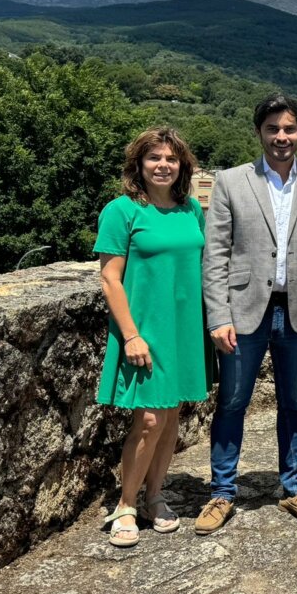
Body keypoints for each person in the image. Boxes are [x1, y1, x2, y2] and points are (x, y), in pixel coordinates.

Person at [196, 94, 297, 535]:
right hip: (242, 312)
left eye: (290, 128)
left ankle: (295, 488)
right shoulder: (231, 181)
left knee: (295, 402)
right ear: (259, 132)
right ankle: (222, 492)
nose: (282, 136)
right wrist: (217, 316)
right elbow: (215, 253)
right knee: (233, 402)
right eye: (273, 128)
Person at [95, 128, 209, 547]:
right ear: (138, 165)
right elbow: (110, 279)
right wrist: (130, 336)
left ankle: (155, 496)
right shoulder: (121, 211)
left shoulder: (191, 210)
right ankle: (126, 504)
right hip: (143, 330)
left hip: (184, 328)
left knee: (172, 415)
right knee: (147, 420)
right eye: (154, 158)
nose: (163, 164)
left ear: (182, 166)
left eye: (171, 158)